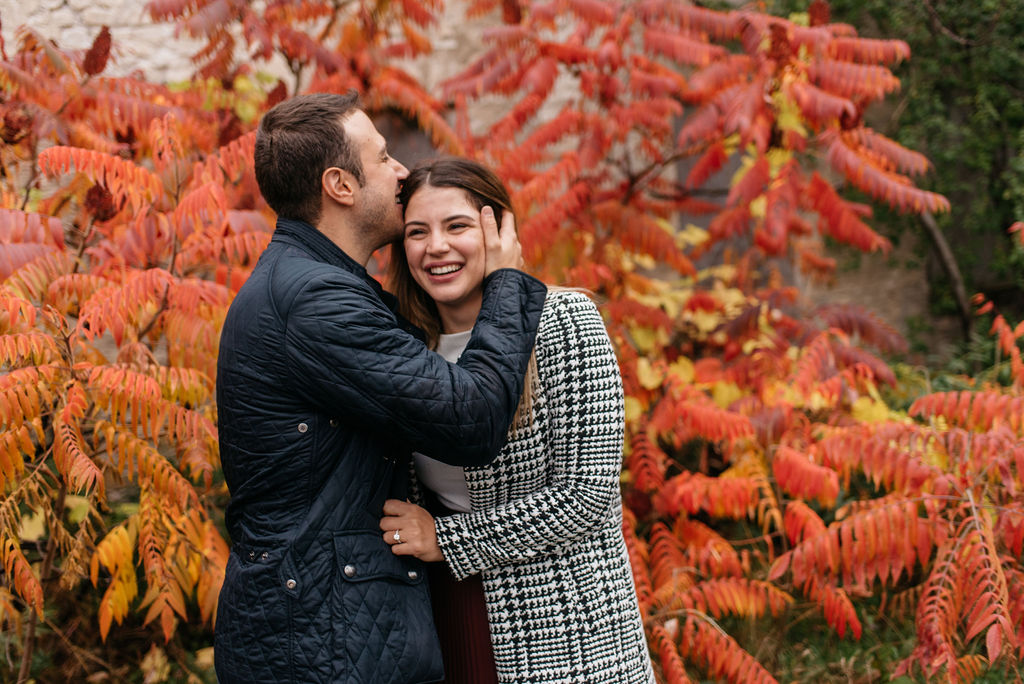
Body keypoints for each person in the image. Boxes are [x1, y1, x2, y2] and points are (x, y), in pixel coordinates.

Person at [213, 93, 548, 684]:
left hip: (330, 629)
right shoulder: (315, 301)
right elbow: (470, 420)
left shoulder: (324, 288)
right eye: (384, 156)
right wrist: (507, 284)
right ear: (340, 184)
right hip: (324, 645)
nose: (401, 172)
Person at [379, 158, 655, 683]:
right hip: (444, 609)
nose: (436, 246)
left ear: (499, 229)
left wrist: (447, 540)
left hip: (567, 625)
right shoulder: (406, 346)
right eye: (417, 232)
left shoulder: (563, 321)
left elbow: (585, 496)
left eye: (456, 225)